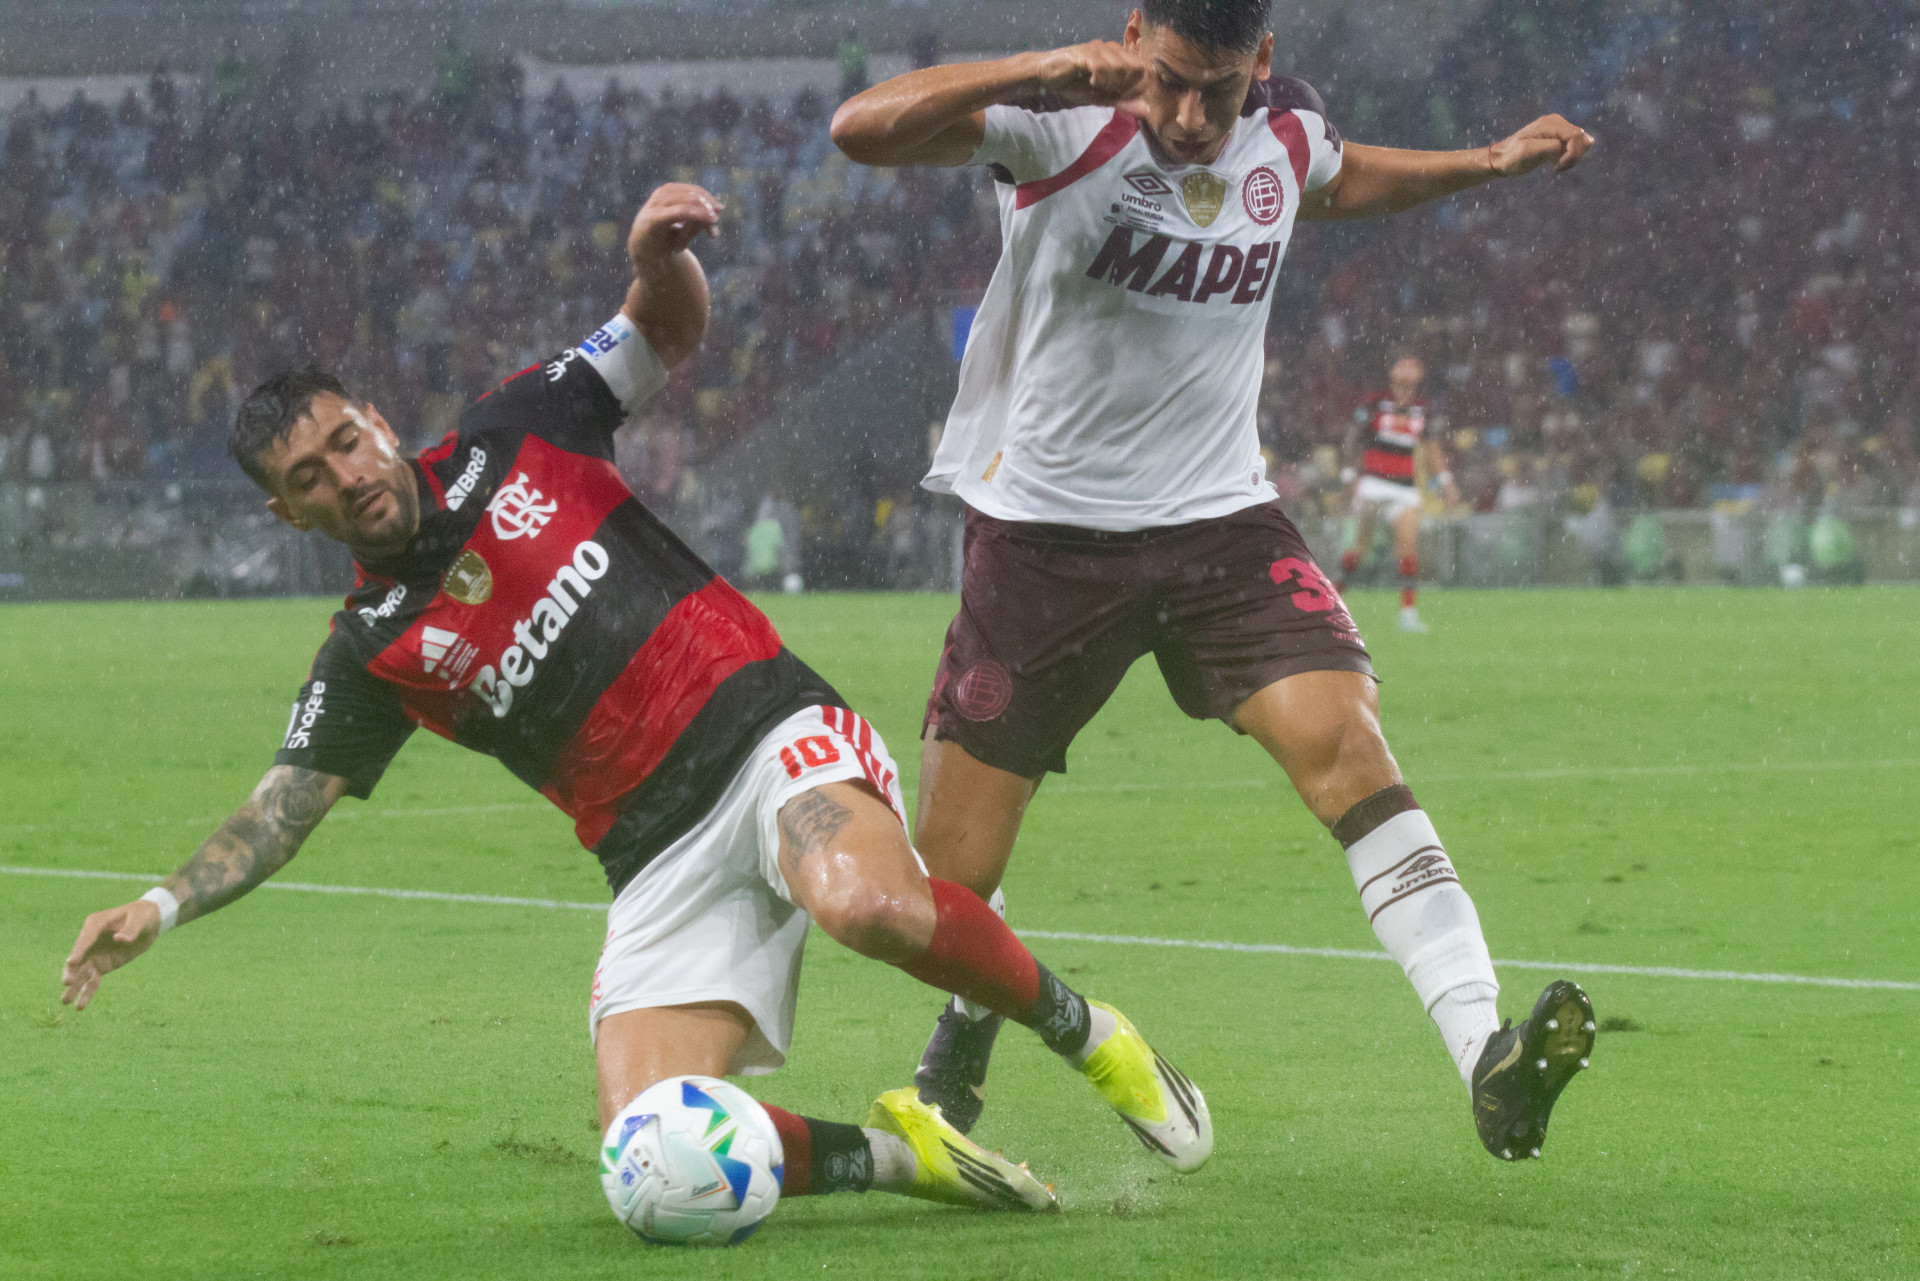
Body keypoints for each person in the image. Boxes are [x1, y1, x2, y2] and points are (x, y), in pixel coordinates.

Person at [58, 184, 1212, 1223]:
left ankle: (1094, 1039)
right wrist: (154, 910)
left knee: (865, 905)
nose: (346, 477)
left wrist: (658, 255)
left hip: (766, 738)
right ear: (289, 516)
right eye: (309, 479)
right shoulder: (370, 650)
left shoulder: (519, 428)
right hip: (654, 857)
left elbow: (665, 330)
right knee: (649, 1163)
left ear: (372, 417)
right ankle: (908, 1155)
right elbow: (276, 813)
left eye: (344, 442)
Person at [830, 0, 1597, 1162]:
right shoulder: (1062, 123)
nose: (1191, 117)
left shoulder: (1282, 133)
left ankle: (1486, 1052)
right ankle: (966, 1034)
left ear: (1265, 67)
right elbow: (861, 130)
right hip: (1043, 542)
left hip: (1220, 526)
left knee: (1349, 747)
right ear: (1135, 35)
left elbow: (1340, 182)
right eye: (1172, 82)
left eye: (1220, 90)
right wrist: (1049, 67)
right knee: (952, 886)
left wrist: (1487, 162)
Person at [1335, 353, 1460, 632]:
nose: (1407, 370)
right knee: (1360, 549)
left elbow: (1431, 448)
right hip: (1374, 483)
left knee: (1408, 550)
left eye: (1413, 365)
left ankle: (1408, 615)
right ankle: (1332, 603)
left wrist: (1446, 483)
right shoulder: (1375, 402)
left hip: (1405, 488)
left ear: (1420, 374)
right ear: (1391, 372)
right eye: (1402, 365)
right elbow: (1353, 439)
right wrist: (1347, 479)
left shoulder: (1423, 409)